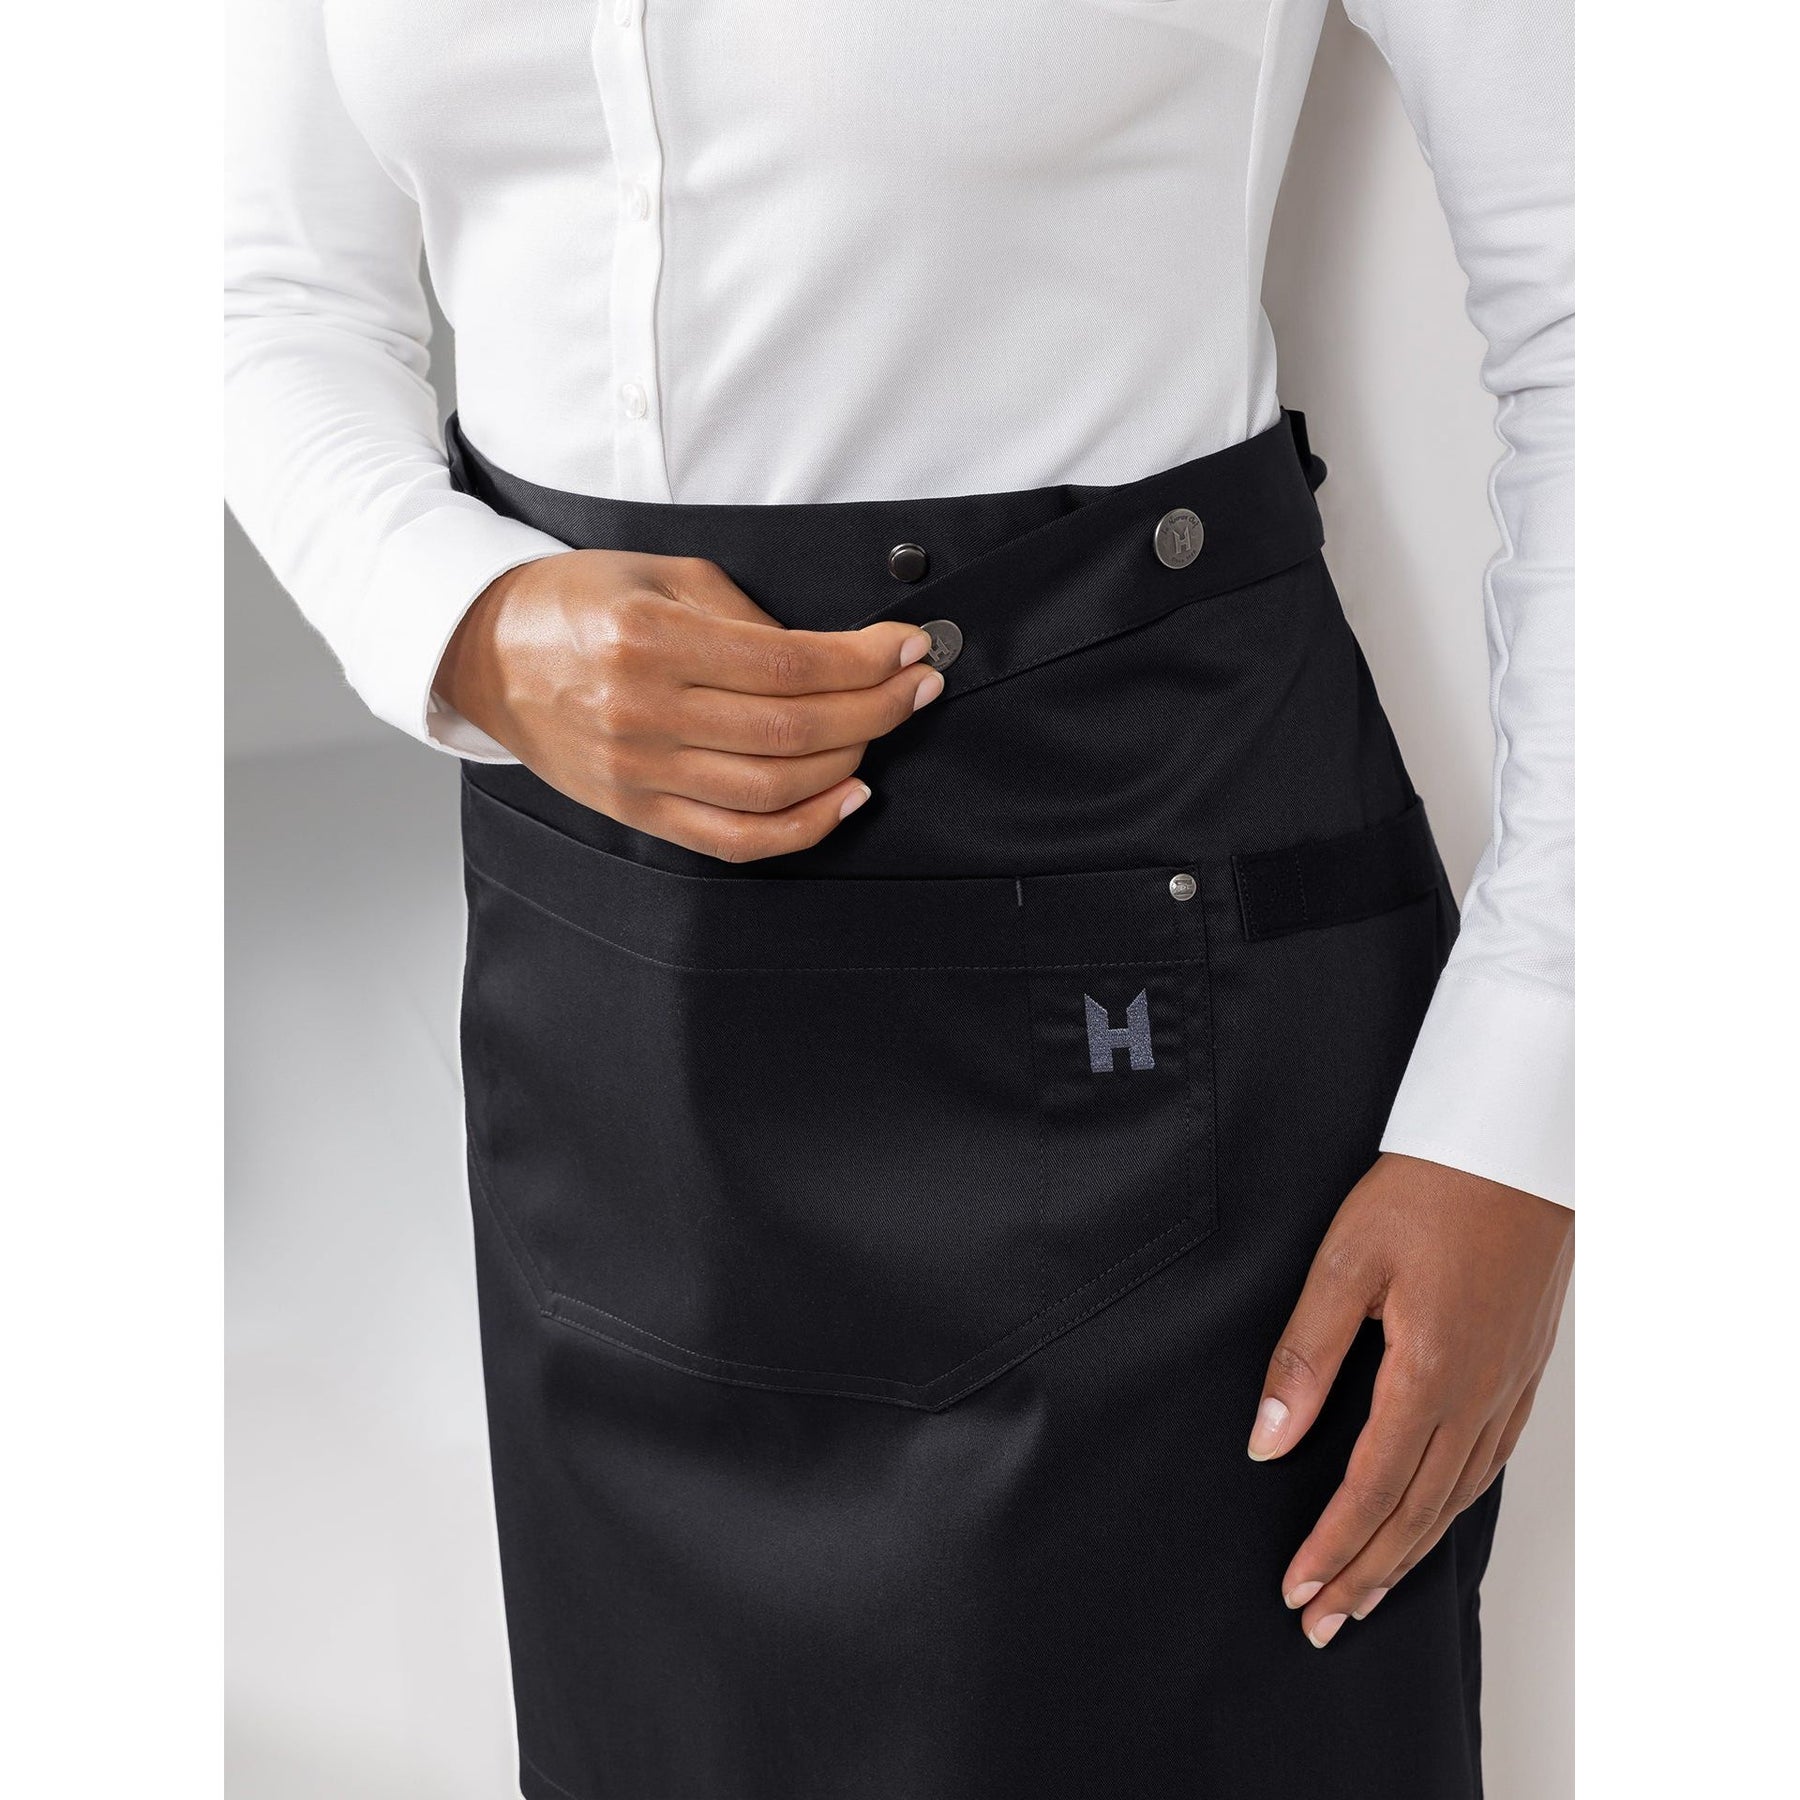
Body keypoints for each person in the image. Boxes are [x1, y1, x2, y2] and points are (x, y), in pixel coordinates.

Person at [225, 1, 1572, 1794]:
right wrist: (465, 620)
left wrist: (1531, 1093)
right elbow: (267, 288)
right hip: (617, 1035)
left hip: (1148, 989)